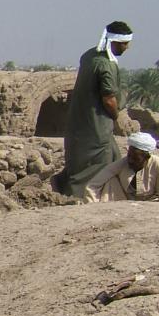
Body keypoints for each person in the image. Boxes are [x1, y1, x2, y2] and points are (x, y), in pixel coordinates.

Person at [60, 21, 134, 198]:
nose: (127, 47)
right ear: (115, 42)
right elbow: (108, 99)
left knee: (114, 159)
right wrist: (116, 116)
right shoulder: (106, 65)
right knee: (95, 167)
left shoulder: (89, 55)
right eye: (125, 43)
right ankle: (77, 199)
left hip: (80, 124)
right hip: (96, 126)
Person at [82, 132, 159, 205]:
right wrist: (91, 204)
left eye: (135, 158)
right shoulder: (123, 163)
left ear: (146, 157)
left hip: (158, 205)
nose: (130, 160)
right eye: (129, 156)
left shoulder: (157, 164)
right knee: (110, 181)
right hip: (127, 203)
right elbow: (94, 184)